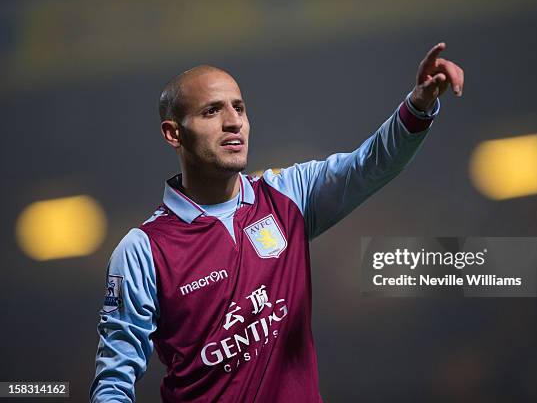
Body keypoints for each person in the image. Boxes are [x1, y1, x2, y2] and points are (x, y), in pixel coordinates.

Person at [90, 42, 464, 402]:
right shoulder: (142, 250)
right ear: (174, 133)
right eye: (211, 112)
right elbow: (113, 381)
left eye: (239, 108)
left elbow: (369, 165)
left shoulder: (287, 195)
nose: (233, 122)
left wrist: (418, 104)